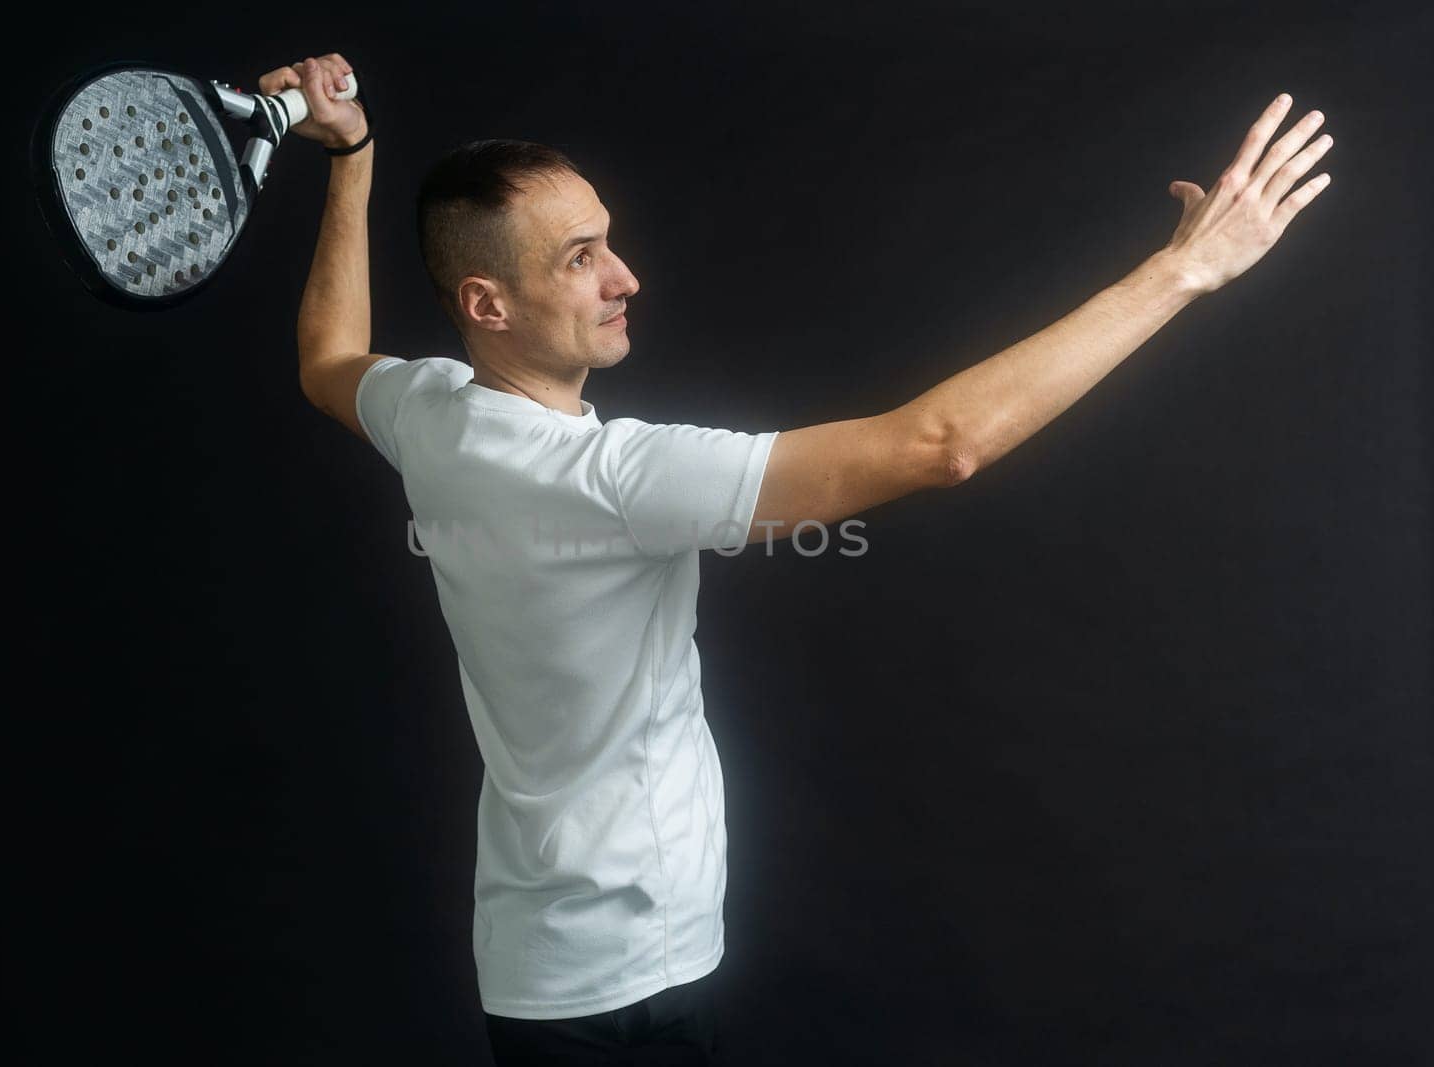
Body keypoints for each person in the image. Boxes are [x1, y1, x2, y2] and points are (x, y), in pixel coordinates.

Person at [260, 53, 1333, 1065]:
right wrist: (1183, 271)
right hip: (638, 985)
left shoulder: (432, 411)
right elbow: (939, 445)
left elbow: (327, 360)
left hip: (533, 972)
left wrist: (348, 156)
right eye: (578, 258)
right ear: (486, 305)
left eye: (608, 239)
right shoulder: (613, 478)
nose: (623, 276)